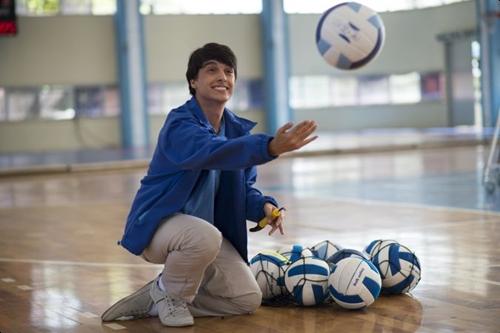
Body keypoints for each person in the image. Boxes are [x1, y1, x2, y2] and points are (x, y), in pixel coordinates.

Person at [101, 42, 317, 327]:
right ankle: (171, 295)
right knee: (205, 236)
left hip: (204, 236)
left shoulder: (236, 130)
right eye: (211, 70)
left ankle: (161, 295)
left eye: (229, 71)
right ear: (193, 81)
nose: (222, 77)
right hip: (159, 228)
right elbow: (213, 151)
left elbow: (244, 188)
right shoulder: (180, 124)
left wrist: (264, 205)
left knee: (245, 299)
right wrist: (270, 146)